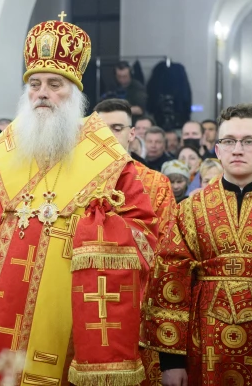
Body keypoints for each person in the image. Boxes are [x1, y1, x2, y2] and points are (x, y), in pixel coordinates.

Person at [0, 19, 158, 384]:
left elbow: (144, 232)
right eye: (35, 84)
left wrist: (97, 229)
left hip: (68, 307)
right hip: (1, 304)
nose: (42, 93)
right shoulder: (2, 151)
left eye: (54, 85)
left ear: (74, 92)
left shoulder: (108, 159)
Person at [143, 103, 252, 386]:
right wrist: (172, 361)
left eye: (249, 141)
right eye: (228, 141)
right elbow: (170, 281)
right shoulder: (191, 207)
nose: (237, 149)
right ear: (217, 150)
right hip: (203, 343)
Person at [94, 98, 177, 386]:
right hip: (87, 303)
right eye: (100, 128)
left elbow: (165, 252)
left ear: (132, 133)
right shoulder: (74, 184)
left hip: (138, 306)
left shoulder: (156, 184)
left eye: (117, 128)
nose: (108, 135)